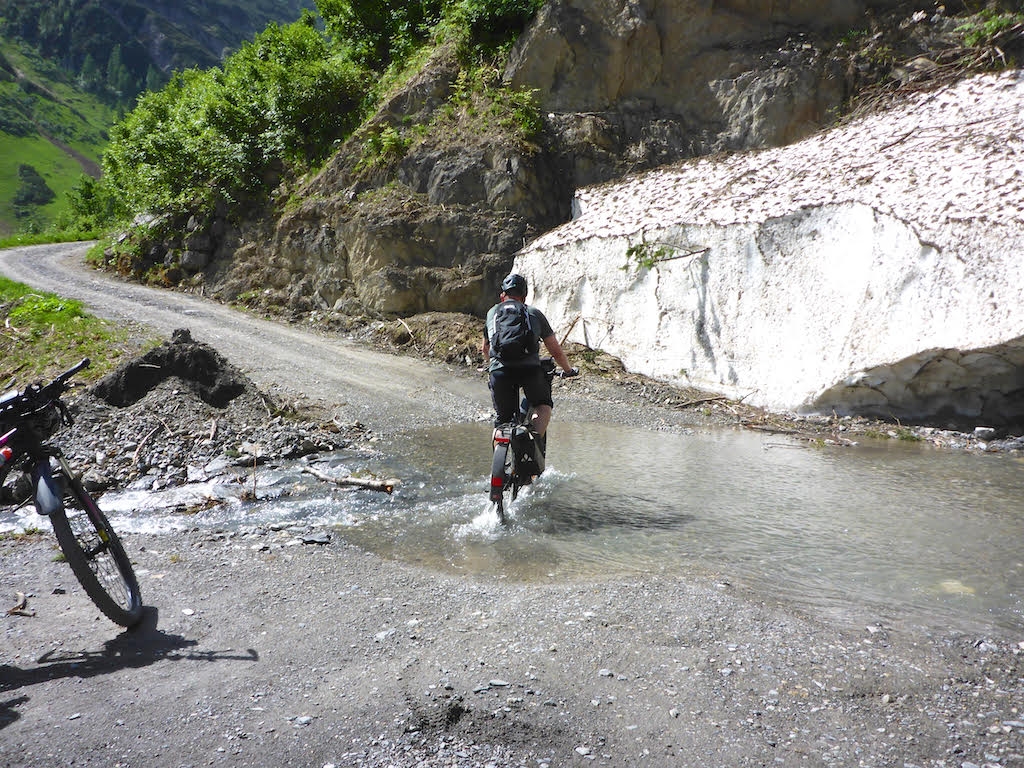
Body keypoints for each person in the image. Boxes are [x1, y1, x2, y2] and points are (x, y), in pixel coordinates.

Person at [482, 273, 577, 453]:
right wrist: (568, 370)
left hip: (500, 372)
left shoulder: (492, 313)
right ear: (524, 297)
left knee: (502, 420)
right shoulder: (533, 313)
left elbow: (485, 349)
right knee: (542, 405)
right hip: (529, 371)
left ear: (502, 295)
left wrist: (493, 366)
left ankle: (498, 471)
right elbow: (554, 349)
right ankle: (530, 443)